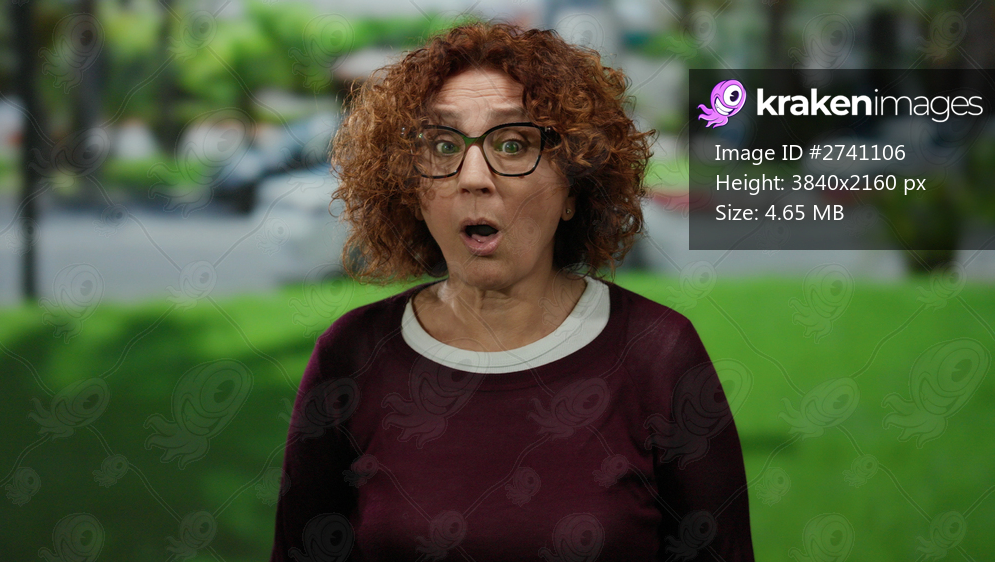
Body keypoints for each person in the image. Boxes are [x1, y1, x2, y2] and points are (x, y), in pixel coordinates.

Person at [270, 21, 753, 562]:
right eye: (443, 144)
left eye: (512, 143)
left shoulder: (658, 353)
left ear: (574, 187)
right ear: (411, 189)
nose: (473, 176)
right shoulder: (351, 357)